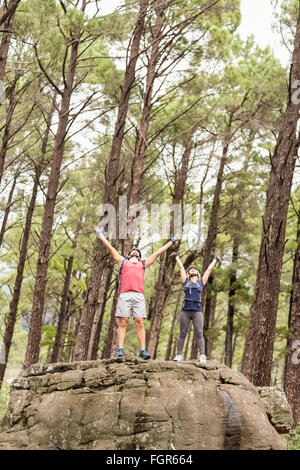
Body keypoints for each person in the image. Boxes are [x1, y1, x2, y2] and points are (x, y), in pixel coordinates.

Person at [93, 227, 179, 359]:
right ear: (129, 255)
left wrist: (171, 242)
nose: (135, 252)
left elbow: (158, 253)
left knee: (140, 321)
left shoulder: (143, 264)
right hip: (125, 294)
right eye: (133, 251)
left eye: (137, 252)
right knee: (123, 321)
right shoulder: (123, 262)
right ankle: (120, 350)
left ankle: (143, 351)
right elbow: (111, 248)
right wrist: (100, 234)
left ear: (139, 256)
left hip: (139, 295)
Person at [171, 252, 221, 364]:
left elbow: (208, 270)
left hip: (197, 311)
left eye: (195, 269)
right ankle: (179, 355)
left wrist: (215, 260)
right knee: (182, 333)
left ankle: (202, 355)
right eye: (191, 269)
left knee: (199, 332)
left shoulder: (201, 283)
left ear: (197, 273)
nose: (192, 269)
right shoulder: (186, 282)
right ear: (188, 273)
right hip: (185, 311)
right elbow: (181, 267)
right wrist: (176, 257)